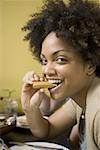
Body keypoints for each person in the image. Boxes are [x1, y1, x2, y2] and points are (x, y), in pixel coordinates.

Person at [21, 0, 100, 149]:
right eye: (44, 61)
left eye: (60, 59)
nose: (46, 70)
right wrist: (29, 107)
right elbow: (47, 130)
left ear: (90, 64)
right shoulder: (80, 97)